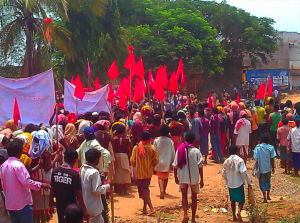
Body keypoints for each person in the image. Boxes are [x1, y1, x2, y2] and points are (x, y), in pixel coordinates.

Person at [0, 138, 50, 223]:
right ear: (20, 152)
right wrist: (41, 185)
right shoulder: (19, 165)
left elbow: (3, 184)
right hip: (22, 204)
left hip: (10, 204)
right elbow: (26, 182)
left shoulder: (3, 166)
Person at [49, 148, 88, 223]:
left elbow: (52, 190)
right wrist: (85, 209)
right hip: (72, 209)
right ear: (74, 159)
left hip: (59, 206)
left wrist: (50, 205)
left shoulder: (55, 171)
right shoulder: (74, 174)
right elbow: (78, 193)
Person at [173, 131, 204, 223]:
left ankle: (185, 214)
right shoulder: (196, 151)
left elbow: (175, 165)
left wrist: (175, 177)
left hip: (182, 176)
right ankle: (193, 218)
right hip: (194, 177)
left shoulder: (180, 149)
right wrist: (202, 179)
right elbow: (200, 166)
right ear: (194, 140)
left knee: (184, 196)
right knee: (194, 197)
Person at [130, 131, 159, 216]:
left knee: (143, 190)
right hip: (149, 172)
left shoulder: (136, 148)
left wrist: (136, 164)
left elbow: (132, 161)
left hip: (140, 173)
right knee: (145, 189)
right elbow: (156, 160)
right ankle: (144, 208)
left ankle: (152, 208)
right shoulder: (152, 148)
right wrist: (150, 165)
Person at [222, 145, 253, 222]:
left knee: (232, 200)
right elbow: (243, 172)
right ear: (237, 151)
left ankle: (233, 216)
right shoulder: (240, 160)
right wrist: (249, 181)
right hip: (239, 183)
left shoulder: (226, 161)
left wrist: (227, 180)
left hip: (230, 184)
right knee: (241, 200)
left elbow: (223, 173)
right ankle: (239, 211)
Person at [81, 149, 110, 223]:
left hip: (85, 204)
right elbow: (97, 190)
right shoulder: (94, 172)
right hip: (94, 207)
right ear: (96, 159)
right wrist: (108, 185)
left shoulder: (82, 169)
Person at [153, 125, 175, 199]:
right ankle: (164, 190)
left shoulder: (156, 140)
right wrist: (172, 161)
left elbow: (154, 150)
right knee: (166, 176)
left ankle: (161, 189)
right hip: (167, 161)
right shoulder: (170, 141)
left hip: (158, 161)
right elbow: (173, 152)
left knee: (159, 177)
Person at [254, 133, 276, 203]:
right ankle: (268, 196)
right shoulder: (271, 148)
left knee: (262, 183)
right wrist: (273, 167)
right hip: (268, 168)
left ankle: (264, 198)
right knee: (268, 181)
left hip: (261, 168)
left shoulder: (257, 147)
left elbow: (256, 158)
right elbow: (272, 158)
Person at [112, 125, 131, 195]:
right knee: (125, 172)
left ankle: (119, 190)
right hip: (125, 156)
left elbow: (113, 150)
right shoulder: (127, 139)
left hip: (116, 156)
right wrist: (129, 159)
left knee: (118, 173)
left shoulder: (114, 139)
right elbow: (128, 150)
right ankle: (125, 190)